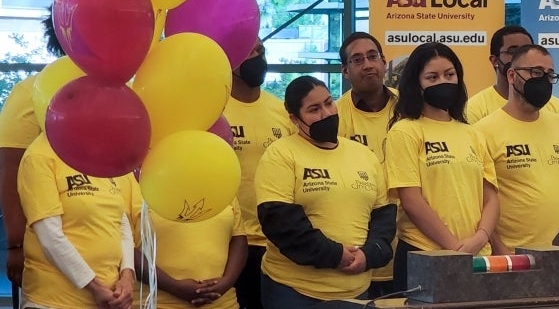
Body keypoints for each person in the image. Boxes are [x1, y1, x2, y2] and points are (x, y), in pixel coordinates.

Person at [255, 76, 395, 308]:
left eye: (329, 103)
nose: (327, 113)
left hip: (356, 291)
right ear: (294, 118)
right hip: (294, 292)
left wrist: (369, 255)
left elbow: (383, 216)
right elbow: (280, 222)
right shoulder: (280, 154)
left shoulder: (364, 155)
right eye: (314, 109)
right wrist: (335, 255)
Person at [385, 42, 498, 291]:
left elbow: (490, 198)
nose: (443, 82)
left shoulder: (473, 134)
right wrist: (455, 248)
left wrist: (480, 238)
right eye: (432, 77)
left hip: (477, 256)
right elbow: (411, 201)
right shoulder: (405, 131)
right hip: (424, 255)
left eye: (449, 74)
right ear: (417, 83)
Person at [474, 45, 559, 254]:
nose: (543, 80)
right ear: (511, 75)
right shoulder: (483, 131)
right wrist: (501, 250)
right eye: (535, 73)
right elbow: (478, 202)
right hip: (511, 258)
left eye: (549, 75)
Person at [18, 135, 138, 309]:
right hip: (54, 302)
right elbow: (50, 238)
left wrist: (127, 277)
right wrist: (94, 287)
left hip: (109, 300)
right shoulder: (39, 155)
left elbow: (122, 224)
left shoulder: (103, 155)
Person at [223, 39, 296, 309]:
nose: (258, 58)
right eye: (250, 51)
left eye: (261, 51)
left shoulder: (281, 111)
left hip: (276, 241)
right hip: (230, 241)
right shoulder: (214, 108)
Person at [0, 13, 64, 306]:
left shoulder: (121, 91)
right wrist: (15, 243)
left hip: (105, 238)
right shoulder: (32, 91)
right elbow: (10, 168)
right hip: (46, 243)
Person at [336, 32, 399, 298]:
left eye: (373, 57)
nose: (368, 64)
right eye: (357, 60)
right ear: (346, 72)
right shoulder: (335, 116)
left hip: (410, 241)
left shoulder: (408, 107)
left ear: (384, 62)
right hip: (357, 249)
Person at [135, 200, 247, 309]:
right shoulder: (132, 185)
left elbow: (238, 238)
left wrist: (227, 281)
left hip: (224, 304)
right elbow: (126, 249)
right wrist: (174, 286)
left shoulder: (224, 186)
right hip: (158, 303)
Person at [465, 25, 559, 124]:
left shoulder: (558, 108)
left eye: (526, 51)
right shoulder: (475, 108)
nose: (520, 56)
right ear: (495, 60)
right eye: (513, 51)